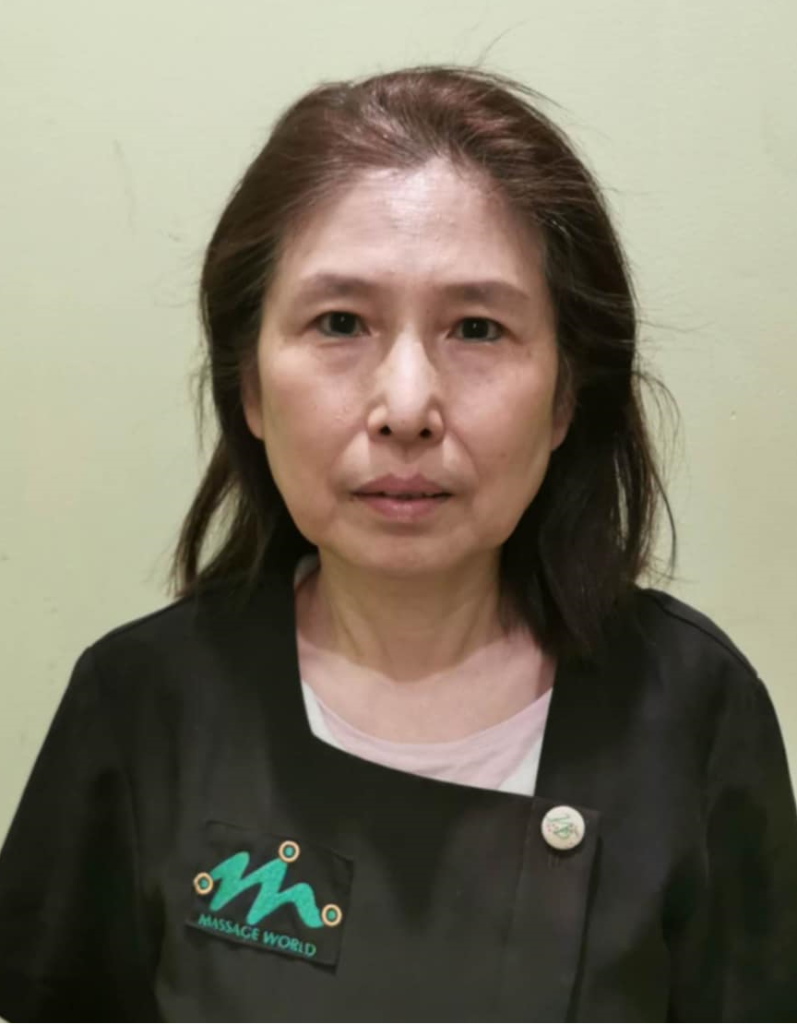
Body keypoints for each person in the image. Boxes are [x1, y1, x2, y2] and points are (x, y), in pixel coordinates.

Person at [0, 63, 795, 1023]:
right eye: (339, 323)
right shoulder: (139, 706)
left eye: (477, 328)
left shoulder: (690, 711)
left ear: (563, 398)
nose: (408, 406)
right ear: (250, 387)